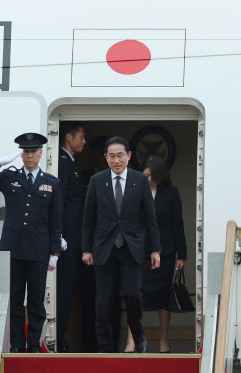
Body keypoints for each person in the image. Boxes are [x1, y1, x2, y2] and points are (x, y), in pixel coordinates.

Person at [0, 132, 64, 353]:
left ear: (41, 153)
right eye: (25, 151)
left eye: (33, 151)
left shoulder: (52, 183)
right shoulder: (7, 176)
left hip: (39, 249)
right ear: (20, 153)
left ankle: (33, 345)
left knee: (36, 301)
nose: (29, 155)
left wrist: (54, 252)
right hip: (12, 249)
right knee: (14, 300)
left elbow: (56, 219)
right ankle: (16, 345)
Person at [81, 136, 161, 353]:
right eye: (112, 156)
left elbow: (150, 218)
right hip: (103, 249)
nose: (116, 160)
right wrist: (86, 249)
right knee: (103, 303)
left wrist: (155, 249)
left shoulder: (140, 180)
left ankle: (138, 335)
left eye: (120, 155)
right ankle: (104, 348)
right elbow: (88, 219)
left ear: (129, 156)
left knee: (132, 294)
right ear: (106, 158)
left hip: (131, 248)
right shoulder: (97, 181)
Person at [125, 155, 187, 353]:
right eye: (145, 175)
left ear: (161, 175)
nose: (148, 179)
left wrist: (182, 255)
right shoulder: (135, 191)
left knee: (162, 298)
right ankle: (132, 341)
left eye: (152, 175)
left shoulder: (171, 193)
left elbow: (177, 224)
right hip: (139, 253)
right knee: (135, 295)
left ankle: (163, 340)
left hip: (165, 253)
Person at [55, 121, 96, 352]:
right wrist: (59, 235)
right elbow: (60, 201)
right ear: (68, 138)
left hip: (74, 238)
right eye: (81, 136)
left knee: (69, 289)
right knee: (65, 290)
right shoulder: (62, 163)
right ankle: (59, 339)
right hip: (67, 240)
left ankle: (61, 338)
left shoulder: (70, 163)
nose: (84, 141)